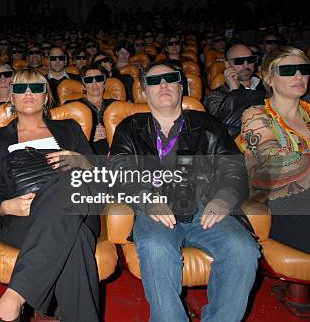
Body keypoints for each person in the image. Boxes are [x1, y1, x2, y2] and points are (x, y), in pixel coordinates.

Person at [110, 62, 260, 322]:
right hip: (155, 205)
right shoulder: (130, 127)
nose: (164, 85)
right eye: (155, 81)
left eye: (170, 78)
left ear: (182, 86)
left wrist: (225, 198)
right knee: (156, 247)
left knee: (243, 249)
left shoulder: (206, 124)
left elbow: (234, 169)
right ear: (144, 92)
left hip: (205, 205)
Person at [0, 68, 101, 322]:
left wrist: (82, 161)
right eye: (20, 88)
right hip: (24, 219)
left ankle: (14, 297)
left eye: (35, 88)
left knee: (67, 177)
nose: (28, 93)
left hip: (76, 209)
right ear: (10, 97)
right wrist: (6, 206)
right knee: (76, 239)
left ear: (46, 97)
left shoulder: (69, 128)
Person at [240, 46, 310, 253]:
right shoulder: (255, 115)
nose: (298, 75)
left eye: (303, 69)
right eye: (288, 71)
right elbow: (275, 166)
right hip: (284, 207)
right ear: (269, 79)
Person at [208, 44, 265, 137]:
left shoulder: (267, 86)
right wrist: (234, 91)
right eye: (239, 61)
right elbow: (222, 130)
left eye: (250, 60)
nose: (246, 65)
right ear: (227, 65)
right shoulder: (217, 95)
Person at [67, 65, 115, 155]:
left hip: (114, 153)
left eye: (99, 78)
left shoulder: (116, 105)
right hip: (86, 154)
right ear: (83, 86)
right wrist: (89, 134)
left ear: (104, 84)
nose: (94, 83)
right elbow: (65, 136)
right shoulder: (73, 107)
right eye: (89, 80)